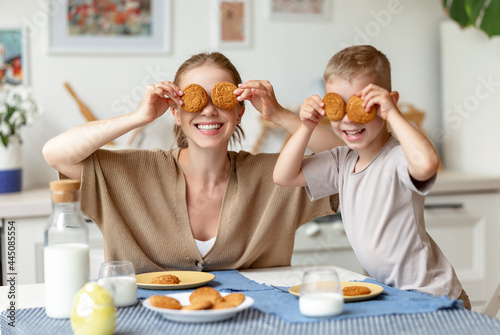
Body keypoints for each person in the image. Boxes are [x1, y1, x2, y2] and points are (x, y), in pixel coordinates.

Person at [42, 52, 342, 275]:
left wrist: (278, 114)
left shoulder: (275, 176)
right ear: (175, 112)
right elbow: (56, 153)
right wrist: (139, 117)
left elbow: (350, 160)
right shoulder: (132, 171)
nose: (209, 110)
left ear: (239, 112)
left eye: (221, 100)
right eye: (196, 100)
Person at [273, 45, 470, 308]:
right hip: (394, 295)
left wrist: (392, 113)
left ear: (388, 100)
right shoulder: (342, 161)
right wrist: (307, 126)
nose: (348, 120)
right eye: (338, 107)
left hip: (434, 294)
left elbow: (427, 164)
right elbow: (283, 176)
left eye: (361, 105)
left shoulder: (397, 158)